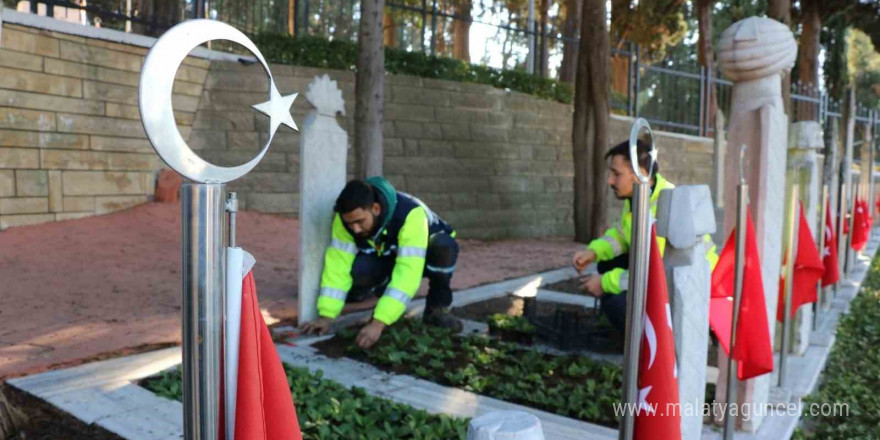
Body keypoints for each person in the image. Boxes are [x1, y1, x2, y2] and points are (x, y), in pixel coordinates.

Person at [572, 140, 718, 332]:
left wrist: (605, 283)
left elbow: (651, 275)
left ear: (640, 173)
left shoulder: (665, 208)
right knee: (606, 265)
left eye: (616, 174)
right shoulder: (640, 196)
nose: (610, 181)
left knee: (617, 303)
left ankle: (653, 347)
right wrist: (594, 252)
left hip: (693, 291)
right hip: (667, 277)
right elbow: (623, 235)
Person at [301, 177, 462, 348]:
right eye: (350, 224)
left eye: (359, 222)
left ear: (376, 209)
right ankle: (376, 290)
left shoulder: (410, 215)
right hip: (388, 253)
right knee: (358, 270)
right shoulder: (345, 220)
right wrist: (327, 315)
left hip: (427, 254)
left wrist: (378, 322)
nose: (355, 229)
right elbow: (337, 265)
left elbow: (408, 274)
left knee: (444, 247)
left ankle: (436, 310)